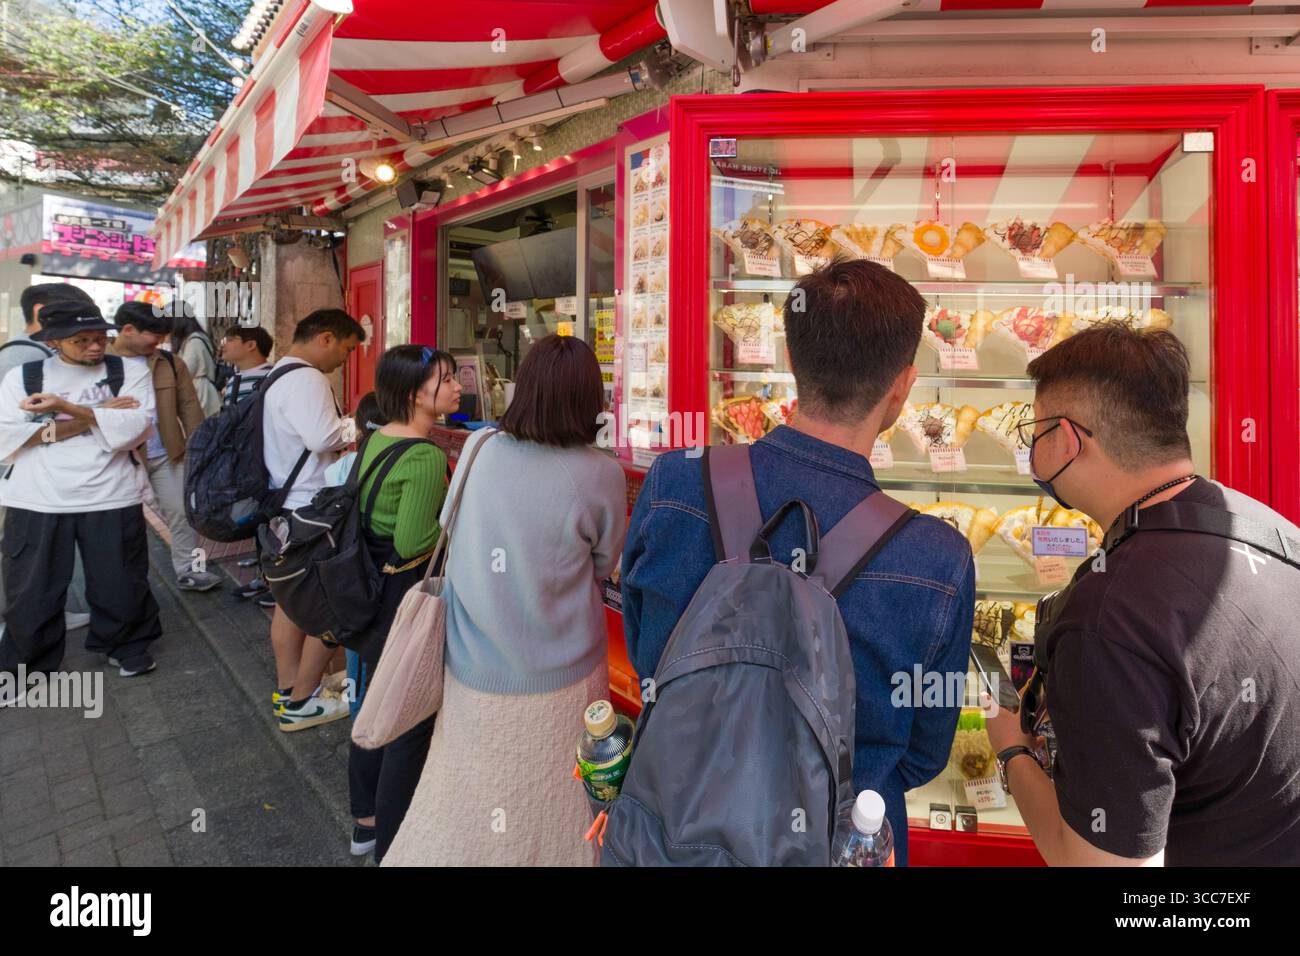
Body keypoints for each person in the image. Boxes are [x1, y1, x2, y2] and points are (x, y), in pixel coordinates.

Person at [620, 259, 975, 867]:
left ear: (788, 354)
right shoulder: (938, 557)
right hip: (843, 846)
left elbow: (647, 653)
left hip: (673, 827)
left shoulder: (675, 483)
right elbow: (921, 756)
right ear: (903, 385)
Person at [983, 324, 1300, 866]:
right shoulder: (1272, 530)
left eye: (1034, 431)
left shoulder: (1108, 619)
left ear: (1065, 438)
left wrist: (1011, 745)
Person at [384, 335, 626, 867]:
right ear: (591, 399)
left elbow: (449, 526)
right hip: (565, 677)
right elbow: (606, 564)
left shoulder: (479, 447)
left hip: (471, 668)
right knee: (562, 816)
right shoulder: (600, 472)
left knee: (471, 808)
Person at [0, 299, 161, 680]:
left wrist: (63, 412)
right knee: (31, 590)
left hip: (112, 492)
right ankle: (26, 666)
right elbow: (9, 439)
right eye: (81, 340)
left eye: (99, 338)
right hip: (37, 497)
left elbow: (135, 429)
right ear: (54, 341)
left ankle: (126, 644)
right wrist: (100, 413)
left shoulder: (130, 370)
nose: (94, 347)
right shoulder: (23, 377)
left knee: (120, 580)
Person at [342, 349, 460, 861]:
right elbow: (415, 540)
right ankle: (394, 842)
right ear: (416, 393)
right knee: (408, 720)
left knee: (376, 699)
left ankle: (364, 818)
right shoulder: (425, 455)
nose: (459, 387)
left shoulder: (378, 437)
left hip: (367, 589)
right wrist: (461, 521)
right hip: (400, 598)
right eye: (447, 379)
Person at [263, 308, 364, 730]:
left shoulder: (277, 374)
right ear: (325, 338)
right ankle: (303, 702)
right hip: (313, 510)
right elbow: (322, 437)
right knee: (331, 606)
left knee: (290, 603)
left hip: (284, 506)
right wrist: (367, 423)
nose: (345, 359)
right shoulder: (307, 378)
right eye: (346, 348)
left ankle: (288, 690)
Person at [0, 283, 98, 637]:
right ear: (42, 313)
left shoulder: (33, 353)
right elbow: (28, 432)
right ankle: (20, 626)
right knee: (23, 560)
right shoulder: (25, 360)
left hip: (30, 475)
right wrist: (94, 417)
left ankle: (46, 615)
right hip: (17, 476)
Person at [109, 302, 221, 592]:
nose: (159, 342)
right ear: (128, 330)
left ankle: (193, 570)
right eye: (154, 336)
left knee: (186, 512)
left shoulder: (170, 362)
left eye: (163, 338)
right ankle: (120, 584)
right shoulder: (101, 362)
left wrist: (198, 452)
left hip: (167, 454)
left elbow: (189, 408)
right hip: (119, 459)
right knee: (120, 524)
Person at [170, 315, 221, 416]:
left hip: (200, 393)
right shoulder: (198, 337)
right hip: (202, 391)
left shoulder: (194, 341)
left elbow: (187, 370)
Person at [220, 325, 274, 407]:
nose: (222, 345)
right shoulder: (232, 380)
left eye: (229, 340)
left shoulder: (273, 376)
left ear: (251, 345)